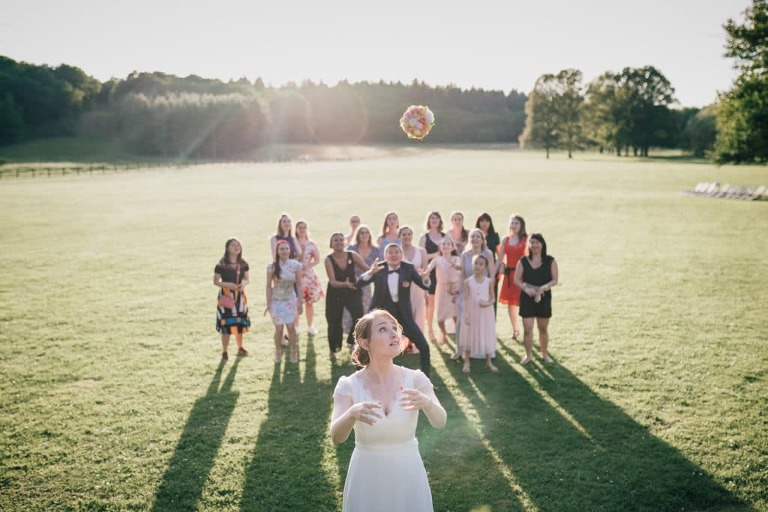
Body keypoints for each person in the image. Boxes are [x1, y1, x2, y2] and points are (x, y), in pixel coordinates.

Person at [330, 310, 447, 512]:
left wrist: (427, 403)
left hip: (408, 475)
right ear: (364, 342)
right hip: (367, 478)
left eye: (395, 328)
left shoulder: (416, 379)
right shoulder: (348, 386)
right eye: (383, 329)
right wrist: (351, 414)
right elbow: (336, 437)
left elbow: (440, 421)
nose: (394, 334)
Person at [357, 243, 433, 376]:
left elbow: (425, 285)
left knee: (424, 346)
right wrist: (370, 272)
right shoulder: (378, 268)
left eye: (396, 252)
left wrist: (425, 279)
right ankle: (359, 378)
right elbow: (360, 283)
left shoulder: (408, 268)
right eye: (390, 252)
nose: (393, 255)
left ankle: (426, 380)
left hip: (404, 316)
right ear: (385, 256)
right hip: (380, 317)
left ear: (401, 255)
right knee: (365, 345)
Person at [513, 233, 558, 365]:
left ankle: (544, 354)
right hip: (527, 297)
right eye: (532, 242)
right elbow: (516, 279)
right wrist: (525, 288)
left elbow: (555, 280)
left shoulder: (550, 260)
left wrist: (544, 287)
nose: (534, 245)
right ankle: (528, 355)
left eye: (537, 242)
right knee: (527, 329)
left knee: (543, 329)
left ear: (542, 244)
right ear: (529, 245)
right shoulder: (523, 261)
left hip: (544, 297)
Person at [452, 228, 495, 361]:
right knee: (461, 322)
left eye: (478, 236)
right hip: (466, 291)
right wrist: (458, 291)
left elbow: (492, 275)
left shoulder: (488, 254)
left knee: (482, 322)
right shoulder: (465, 254)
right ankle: (460, 349)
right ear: (469, 240)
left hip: (483, 291)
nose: (475, 239)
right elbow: (463, 275)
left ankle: (482, 349)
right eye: (473, 236)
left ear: (482, 240)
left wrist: (489, 293)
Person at [325, 233, 369, 359]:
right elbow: (332, 281)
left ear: (344, 242)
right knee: (334, 321)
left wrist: (374, 271)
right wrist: (344, 284)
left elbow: (367, 268)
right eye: (335, 240)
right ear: (331, 244)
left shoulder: (352, 255)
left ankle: (352, 341)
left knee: (359, 317)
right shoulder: (328, 259)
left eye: (341, 239)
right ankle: (333, 349)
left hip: (352, 291)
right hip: (335, 293)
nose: (338, 242)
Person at [265, 240, 304, 364]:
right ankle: (277, 351)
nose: (284, 251)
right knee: (279, 329)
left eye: (286, 248)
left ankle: (293, 351)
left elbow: (299, 284)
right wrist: (268, 304)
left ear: (290, 251)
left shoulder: (296, 265)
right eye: (282, 249)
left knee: (291, 327)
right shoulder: (272, 267)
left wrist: (300, 301)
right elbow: (268, 285)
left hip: (290, 300)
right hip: (276, 301)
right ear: (277, 251)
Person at [213, 238, 251, 361]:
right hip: (226, 296)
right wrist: (227, 285)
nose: (236, 247)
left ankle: (240, 347)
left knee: (239, 323)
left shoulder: (243, 263)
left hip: (240, 297)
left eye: (238, 245)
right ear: (228, 248)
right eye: (233, 245)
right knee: (226, 324)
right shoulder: (222, 263)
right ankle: (224, 351)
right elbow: (215, 281)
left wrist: (243, 284)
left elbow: (247, 279)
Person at [460, 254, 498, 373]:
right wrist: (465, 314)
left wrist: (487, 304)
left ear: (485, 267)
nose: (478, 266)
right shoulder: (468, 282)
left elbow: (493, 298)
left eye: (481, 264)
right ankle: (467, 361)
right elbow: (466, 299)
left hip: (486, 313)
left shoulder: (489, 281)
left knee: (486, 334)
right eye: (476, 263)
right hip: (472, 312)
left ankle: (488, 362)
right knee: (470, 335)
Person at [344, 224, 380, 338]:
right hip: (352, 284)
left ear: (369, 235)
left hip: (366, 285)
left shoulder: (375, 250)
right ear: (358, 235)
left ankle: (363, 335)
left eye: (366, 233)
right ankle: (352, 336)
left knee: (365, 310)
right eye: (361, 233)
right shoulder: (351, 249)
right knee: (350, 311)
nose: (364, 235)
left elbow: (378, 268)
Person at [424, 237, 460, 345]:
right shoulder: (437, 260)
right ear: (440, 247)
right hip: (441, 289)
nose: (445, 246)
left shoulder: (456, 259)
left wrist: (455, 265)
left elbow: (461, 269)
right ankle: (443, 332)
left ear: (452, 247)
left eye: (448, 244)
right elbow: (428, 269)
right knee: (440, 317)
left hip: (454, 289)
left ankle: (459, 335)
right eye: (443, 244)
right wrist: (424, 273)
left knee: (455, 315)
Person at [498, 214, 528, 341]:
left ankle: (527, 329)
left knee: (524, 303)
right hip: (509, 276)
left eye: (516, 223)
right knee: (511, 304)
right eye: (512, 223)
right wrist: (498, 271)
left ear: (521, 225)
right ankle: (515, 329)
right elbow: (500, 259)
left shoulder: (526, 239)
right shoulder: (506, 239)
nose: (514, 226)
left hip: (522, 275)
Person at [399, 225, 428, 353]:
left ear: (412, 236)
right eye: (403, 234)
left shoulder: (421, 251)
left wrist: (426, 290)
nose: (406, 237)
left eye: (408, 234)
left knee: (419, 315)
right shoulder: (397, 251)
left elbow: (426, 273)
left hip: (418, 288)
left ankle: (416, 345)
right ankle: (404, 345)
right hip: (403, 289)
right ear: (400, 237)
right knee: (404, 316)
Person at [418, 211, 445, 341]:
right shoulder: (424, 237)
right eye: (432, 218)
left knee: (442, 302)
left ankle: (442, 330)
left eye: (436, 218)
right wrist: (434, 255)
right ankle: (430, 330)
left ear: (440, 221)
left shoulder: (445, 236)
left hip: (443, 273)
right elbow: (421, 255)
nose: (434, 220)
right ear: (428, 221)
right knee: (431, 303)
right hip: (430, 273)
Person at [295, 220, 324, 336]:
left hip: (309, 276)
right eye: (299, 227)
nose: (302, 229)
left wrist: (309, 265)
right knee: (296, 301)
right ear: (296, 229)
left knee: (309, 302)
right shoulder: (293, 243)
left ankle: (310, 326)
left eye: (304, 227)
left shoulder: (311, 243)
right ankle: (296, 327)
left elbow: (317, 259)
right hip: (296, 275)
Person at [475, 212, 501, 315]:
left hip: (492, 270)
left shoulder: (494, 236)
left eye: (487, 221)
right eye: (482, 221)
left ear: (490, 223)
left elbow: (500, 255)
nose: (484, 223)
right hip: (476, 270)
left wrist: (495, 271)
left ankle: (492, 321)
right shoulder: (475, 236)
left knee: (491, 295)